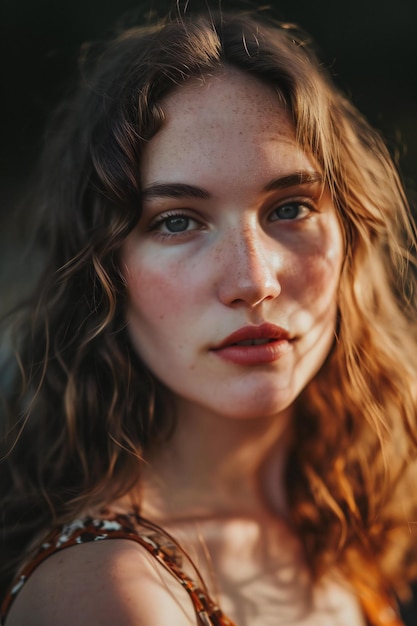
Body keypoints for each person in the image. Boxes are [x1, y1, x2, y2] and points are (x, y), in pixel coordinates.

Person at [1, 8, 417, 626]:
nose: (254, 281)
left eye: (291, 207)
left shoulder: (364, 521)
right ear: (105, 274)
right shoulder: (108, 595)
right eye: (177, 221)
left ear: (350, 235)